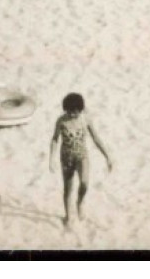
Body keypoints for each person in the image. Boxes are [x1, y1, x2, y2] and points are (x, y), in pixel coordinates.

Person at [49, 92, 113, 230]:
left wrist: (107, 156)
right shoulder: (61, 121)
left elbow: (96, 138)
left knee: (84, 183)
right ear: (66, 110)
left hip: (82, 156)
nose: (73, 115)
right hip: (66, 158)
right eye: (70, 112)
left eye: (76, 112)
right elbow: (55, 139)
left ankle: (80, 202)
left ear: (80, 110)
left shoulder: (85, 120)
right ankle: (68, 216)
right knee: (68, 189)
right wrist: (51, 158)